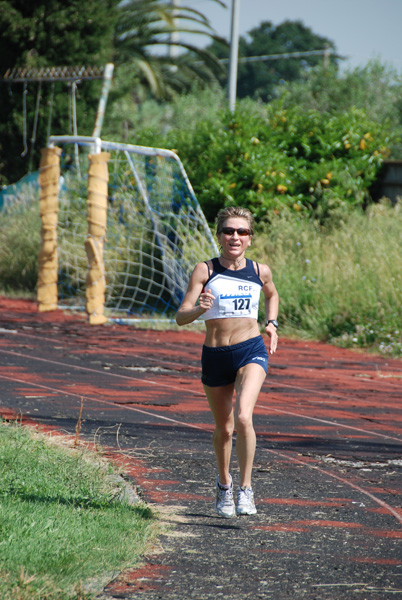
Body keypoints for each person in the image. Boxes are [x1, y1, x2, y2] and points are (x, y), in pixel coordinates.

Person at [176, 206, 279, 518]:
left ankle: (246, 489)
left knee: (244, 418)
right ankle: (224, 486)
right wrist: (199, 309)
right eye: (229, 231)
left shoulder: (260, 271)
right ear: (219, 235)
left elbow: (272, 295)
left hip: (251, 349)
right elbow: (181, 316)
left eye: (242, 232)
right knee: (224, 427)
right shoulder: (205, 271)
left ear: (249, 238)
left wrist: (272, 324)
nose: (235, 237)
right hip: (216, 354)